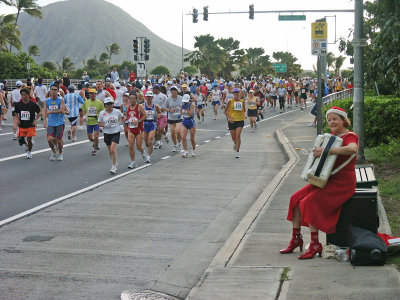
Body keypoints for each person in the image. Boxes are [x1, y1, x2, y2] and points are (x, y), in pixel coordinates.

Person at [281, 106, 359, 259]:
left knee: (310, 202)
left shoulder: (350, 136)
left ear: (344, 121)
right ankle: (296, 239)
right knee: (295, 199)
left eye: (335, 119)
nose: (332, 122)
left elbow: (352, 149)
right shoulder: (330, 136)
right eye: (329, 120)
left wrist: (326, 151)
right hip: (326, 180)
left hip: (342, 183)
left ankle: (315, 243)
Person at [98, 97, 124, 174]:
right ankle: (114, 161)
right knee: (110, 150)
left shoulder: (117, 111)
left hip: (115, 132)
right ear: (105, 105)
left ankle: (114, 166)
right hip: (107, 133)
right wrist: (105, 125)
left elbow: (123, 117)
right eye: (108, 104)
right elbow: (99, 123)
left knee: (113, 149)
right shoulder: (102, 113)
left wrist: (121, 125)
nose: (110, 105)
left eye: (111, 104)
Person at [14, 88, 41, 158]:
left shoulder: (33, 104)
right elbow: (15, 112)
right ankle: (26, 143)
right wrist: (17, 119)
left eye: (25, 95)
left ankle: (29, 152)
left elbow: (39, 112)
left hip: (30, 124)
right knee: (20, 140)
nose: (24, 96)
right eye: (22, 95)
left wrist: (35, 120)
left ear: (28, 95)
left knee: (29, 139)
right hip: (22, 124)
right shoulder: (19, 104)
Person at [43, 84, 67, 161]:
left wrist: (51, 112)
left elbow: (61, 110)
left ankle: (60, 153)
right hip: (50, 123)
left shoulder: (61, 100)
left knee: (59, 141)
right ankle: (53, 151)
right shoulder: (46, 101)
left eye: (55, 90)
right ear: (50, 91)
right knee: (50, 139)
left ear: (58, 91)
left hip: (60, 123)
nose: (53, 91)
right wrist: (44, 121)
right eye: (52, 89)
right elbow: (44, 111)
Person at [126, 92, 147, 168]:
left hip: (139, 129)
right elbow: (127, 117)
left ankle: (143, 152)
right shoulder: (128, 107)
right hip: (131, 129)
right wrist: (126, 121)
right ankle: (133, 162)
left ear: (136, 99)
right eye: (130, 98)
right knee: (131, 145)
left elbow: (145, 115)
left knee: (138, 146)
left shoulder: (139, 107)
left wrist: (138, 121)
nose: (132, 100)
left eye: (133, 98)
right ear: (129, 99)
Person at [81, 88, 105, 155]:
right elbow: (84, 110)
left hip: (97, 122)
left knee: (96, 136)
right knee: (90, 138)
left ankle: (94, 149)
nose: (91, 95)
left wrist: (99, 115)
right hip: (89, 122)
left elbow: (103, 112)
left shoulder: (99, 103)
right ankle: (96, 142)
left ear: (95, 94)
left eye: (93, 94)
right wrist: (84, 116)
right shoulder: (86, 102)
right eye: (90, 94)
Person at [224, 88, 246, 158]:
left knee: (238, 135)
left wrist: (245, 114)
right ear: (233, 94)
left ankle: (237, 152)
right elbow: (225, 111)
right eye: (235, 93)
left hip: (240, 120)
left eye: (237, 92)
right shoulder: (230, 101)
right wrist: (229, 118)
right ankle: (235, 143)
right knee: (233, 137)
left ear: (239, 93)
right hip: (232, 121)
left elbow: (244, 110)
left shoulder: (242, 101)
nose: (236, 94)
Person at [143, 91, 161, 162]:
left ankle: (149, 156)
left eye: (150, 97)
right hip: (145, 124)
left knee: (150, 141)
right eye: (147, 97)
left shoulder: (155, 106)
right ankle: (151, 149)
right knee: (147, 143)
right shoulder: (142, 105)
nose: (148, 98)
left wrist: (158, 116)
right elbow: (139, 112)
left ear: (152, 97)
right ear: (146, 97)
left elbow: (159, 112)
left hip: (152, 124)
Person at [166, 86, 183, 152]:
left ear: (177, 91)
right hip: (171, 117)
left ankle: (179, 144)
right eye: (172, 90)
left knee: (178, 131)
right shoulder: (168, 99)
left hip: (179, 117)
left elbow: (184, 106)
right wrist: (169, 110)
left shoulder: (181, 98)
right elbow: (164, 108)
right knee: (173, 132)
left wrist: (181, 112)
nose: (173, 91)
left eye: (174, 90)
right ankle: (175, 145)